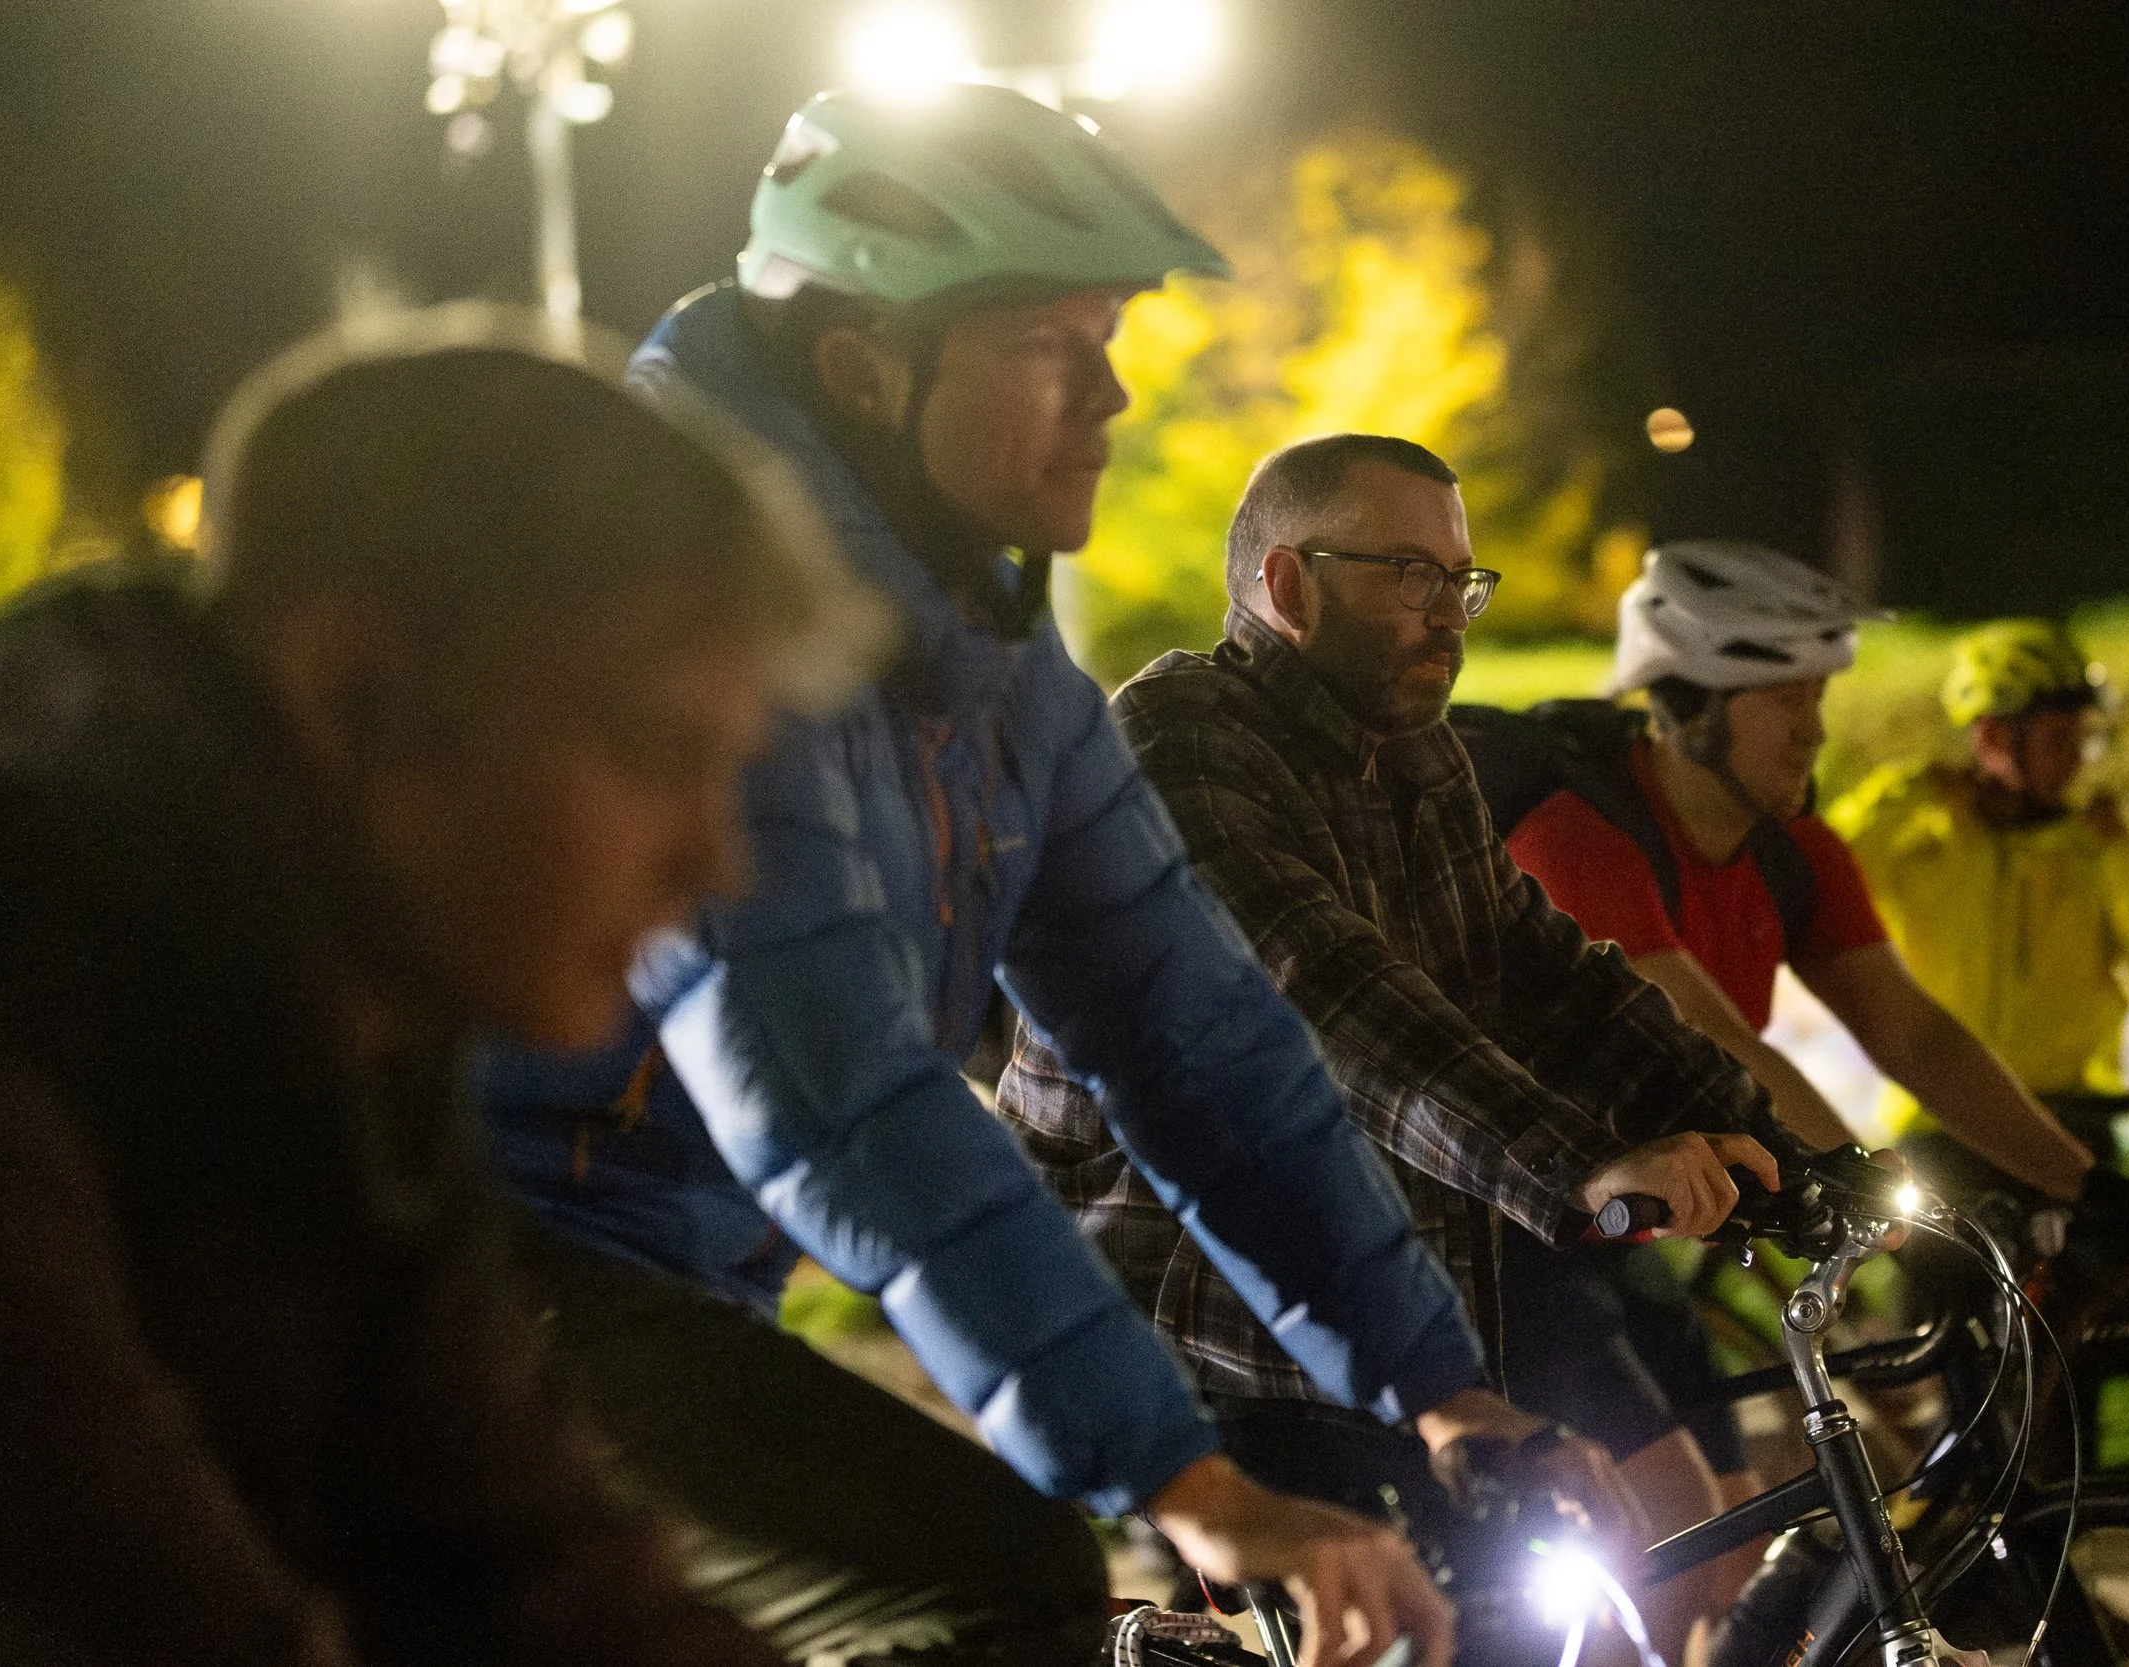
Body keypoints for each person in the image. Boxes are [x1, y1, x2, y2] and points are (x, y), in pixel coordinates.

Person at [480, 86, 1614, 1667]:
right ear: (862, 370)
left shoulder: (1003, 674)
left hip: (666, 1286)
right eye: (1050, 349)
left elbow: (1199, 1036)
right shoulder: (692, 621)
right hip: (452, 1268)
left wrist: (1435, 1385)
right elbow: (838, 1088)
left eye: (1110, 339)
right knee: (1000, 1579)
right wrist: (1186, 1479)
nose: (1116, 394)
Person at [0, 306, 876, 1667]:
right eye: (657, 747)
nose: (715, 858)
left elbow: (508, 1549)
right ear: (360, 688)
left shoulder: (330, 976)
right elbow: (125, 1595)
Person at [997, 434, 1800, 1667]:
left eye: (1463, 581)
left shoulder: (1416, 751)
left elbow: (1539, 965)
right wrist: (1579, 1162)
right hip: (1202, 1314)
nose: (1450, 615)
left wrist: (1784, 1147)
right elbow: (1327, 1000)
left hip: (1382, 1296)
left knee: (1563, 1610)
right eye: (1410, 575)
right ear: (1286, 584)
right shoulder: (1180, 742)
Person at [1472, 541, 2097, 1631]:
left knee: (1716, 1544)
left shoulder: (1792, 848)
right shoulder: (1582, 837)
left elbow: (1915, 1034)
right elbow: (1721, 1055)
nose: (1811, 726)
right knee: (1658, 1539)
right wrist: (1896, 1211)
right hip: (1488, 1231)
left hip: (1622, 1236)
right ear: (1688, 708)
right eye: (1780, 699)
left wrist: (2088, 1190)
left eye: (1816, 693)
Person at [1827, 616, 2129, 1174]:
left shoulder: (2099, 847)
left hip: (2071, 1119)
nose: (2075, 758)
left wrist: (2123, 852)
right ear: (1992, 738)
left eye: (2083, 738)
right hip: (1940, 1123)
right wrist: (1908, 793)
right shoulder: (1926, 844)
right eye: (2057, 740)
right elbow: (1816, 875)